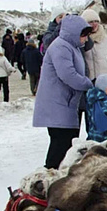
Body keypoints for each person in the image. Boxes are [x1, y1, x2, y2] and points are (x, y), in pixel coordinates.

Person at [33, 15, 93, 169]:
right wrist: (90, 84)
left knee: (66, 146)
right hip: (58, 105)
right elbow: (68, 75)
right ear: (73, 33)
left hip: (66, 104)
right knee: (60, 147)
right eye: (84, 35)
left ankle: (57, 179)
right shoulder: (61, 47)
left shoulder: (71, 46)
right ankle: (48, 180)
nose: (86, 39)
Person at [81, 8, 107, 82]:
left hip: (104, 79)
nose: (94, 24)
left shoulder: (104, 38)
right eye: (91, 22)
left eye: (96, 21)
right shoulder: (81, 39)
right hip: (87, 80)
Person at [85, 74, 107, 142]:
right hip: (103, 136)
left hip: (93, 134)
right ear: (104, 88)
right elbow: (104, 118)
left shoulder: (93, 99)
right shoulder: (102, 101)